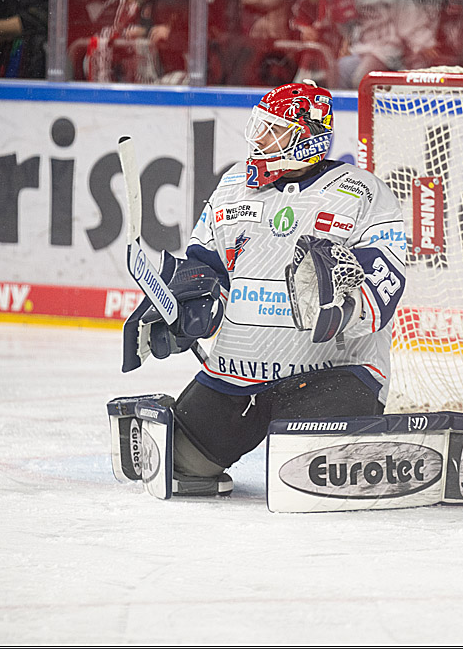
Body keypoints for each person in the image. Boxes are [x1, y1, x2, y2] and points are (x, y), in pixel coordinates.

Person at [116, 81, 407, 496]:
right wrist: (183, 310)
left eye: (276, 130)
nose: (261, 139)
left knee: (310, 477)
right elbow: (208, 268)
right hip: (236, 377)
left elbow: (387, 278)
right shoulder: (234, 185)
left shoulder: (363, 192)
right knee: (177, 465)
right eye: (261, 127)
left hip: (332, 376)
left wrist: (347, 305)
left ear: (310, 134)